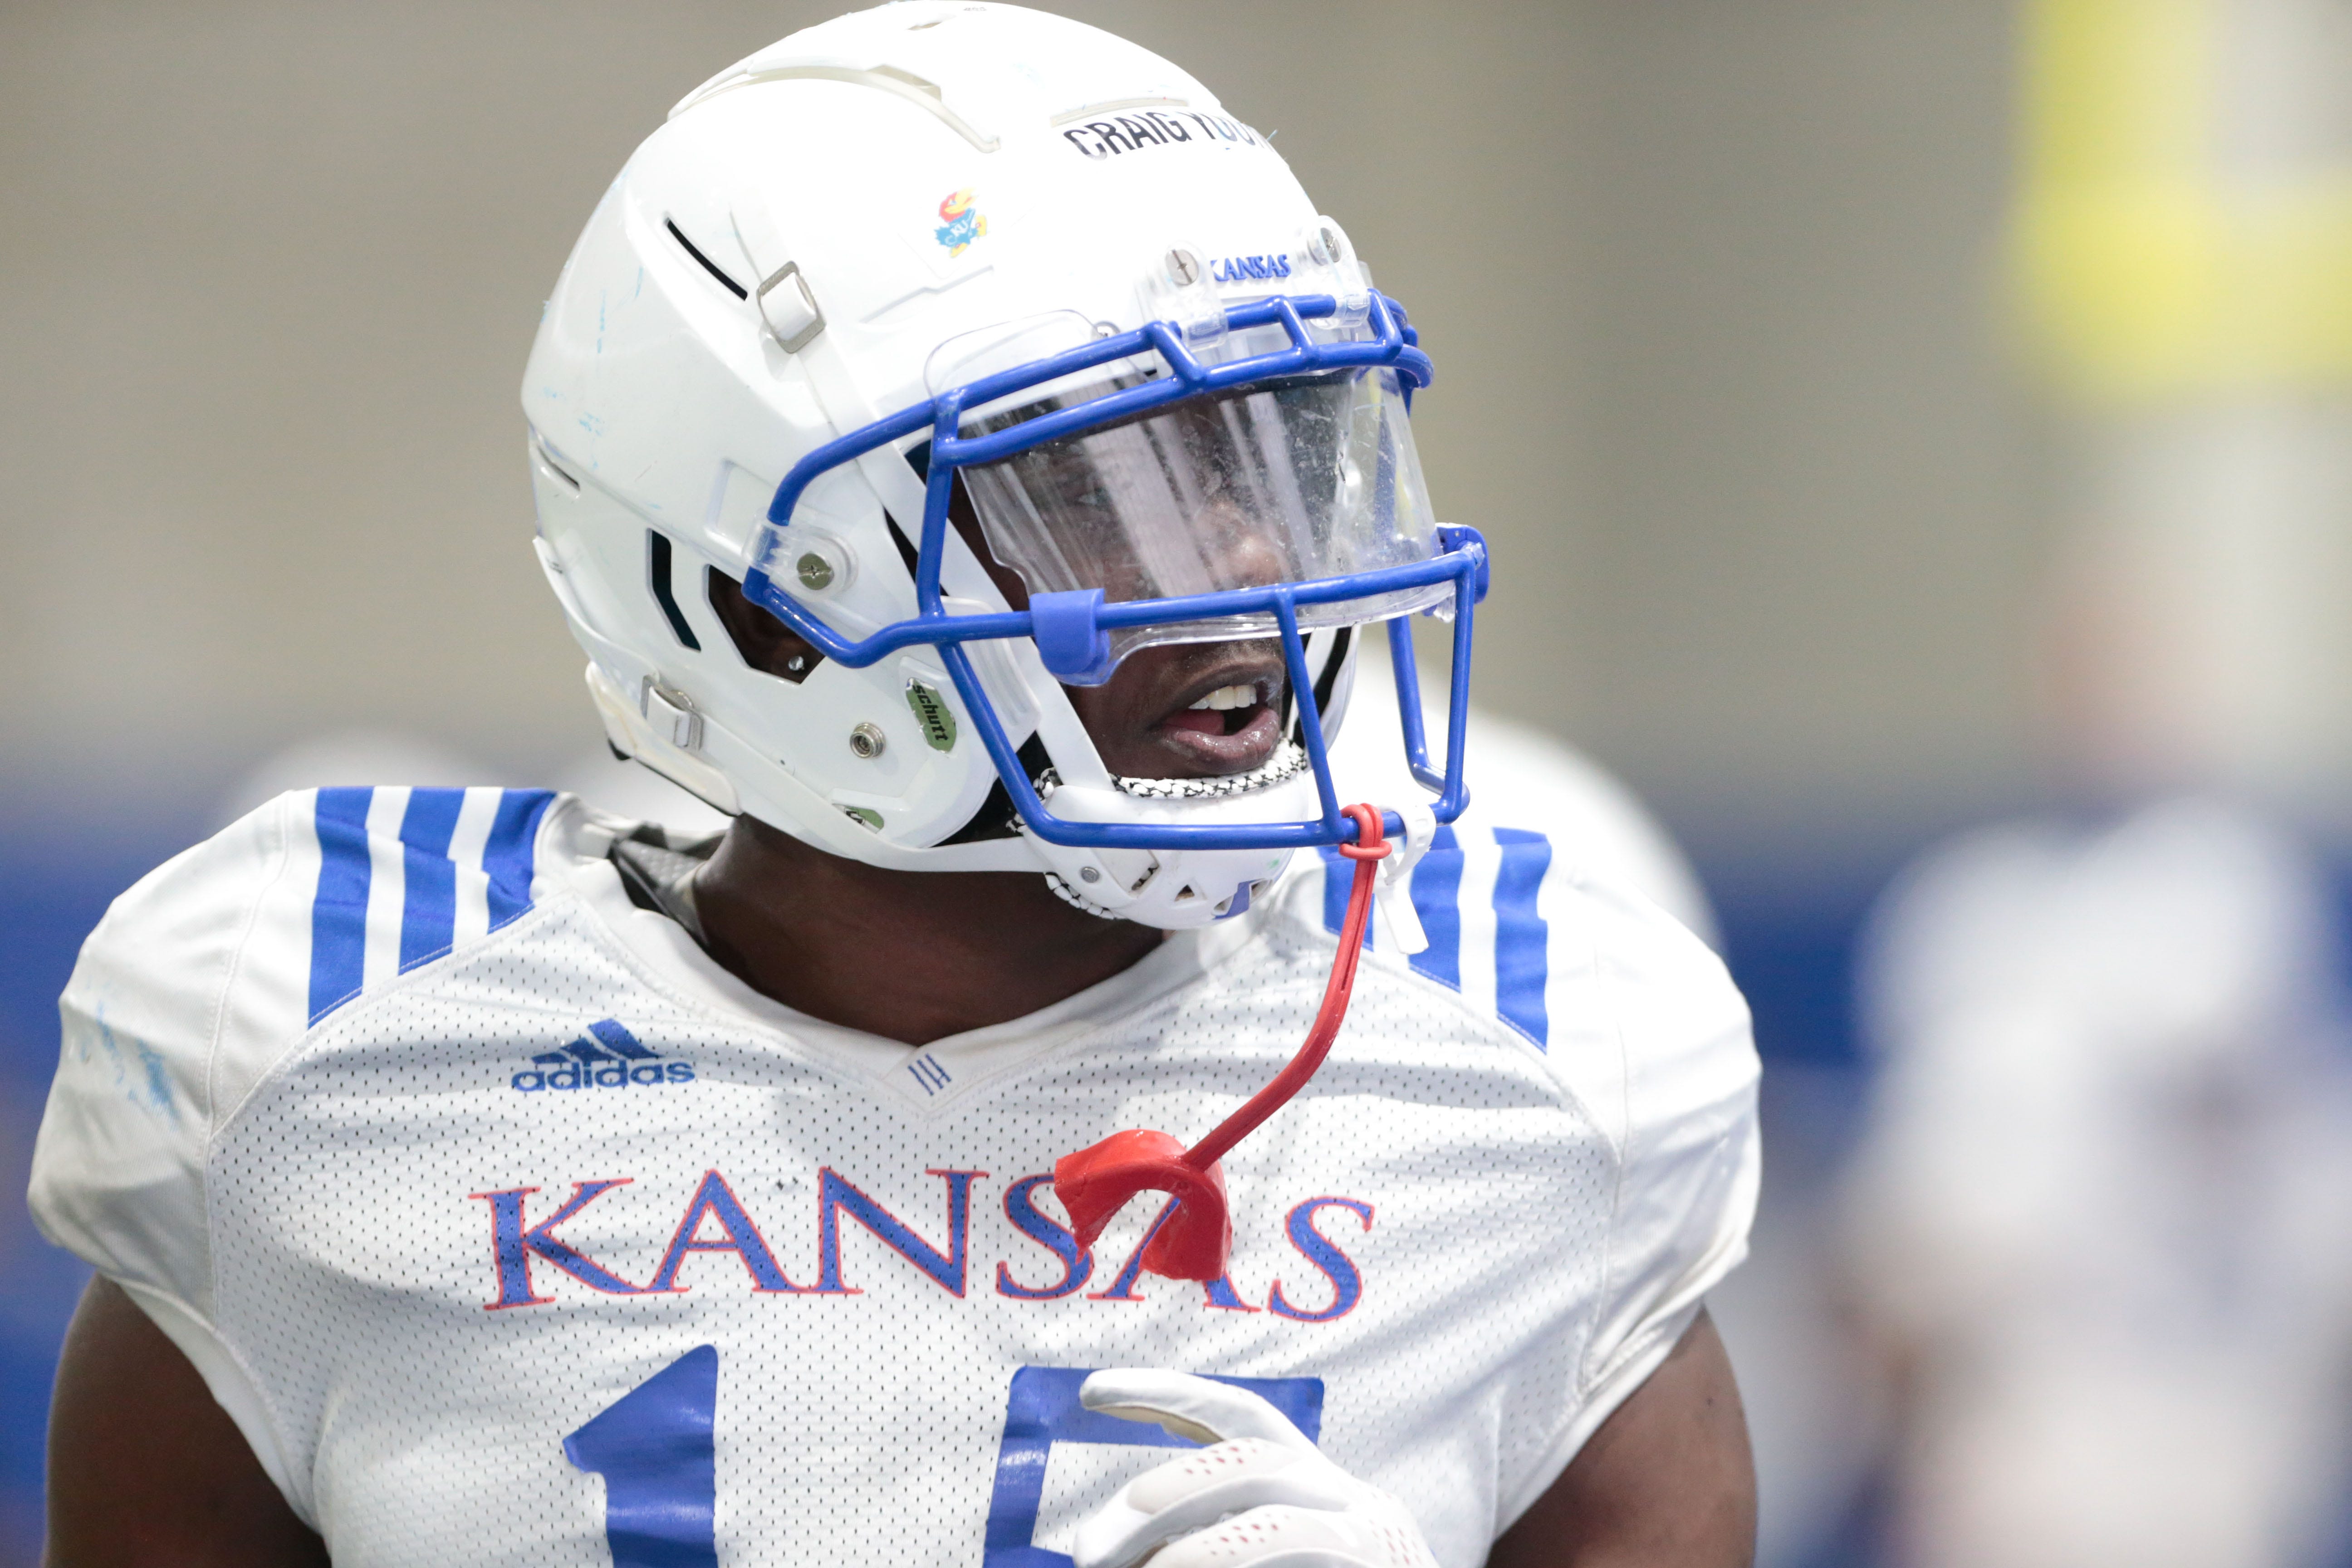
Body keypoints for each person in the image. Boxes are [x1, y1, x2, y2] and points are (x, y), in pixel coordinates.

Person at [29, 7, 1761, 1565]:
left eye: (1266, 449)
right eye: (1104, 484)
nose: (1242, 551)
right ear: (757, 599)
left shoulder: (1534, 1066)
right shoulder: (324, 1063)